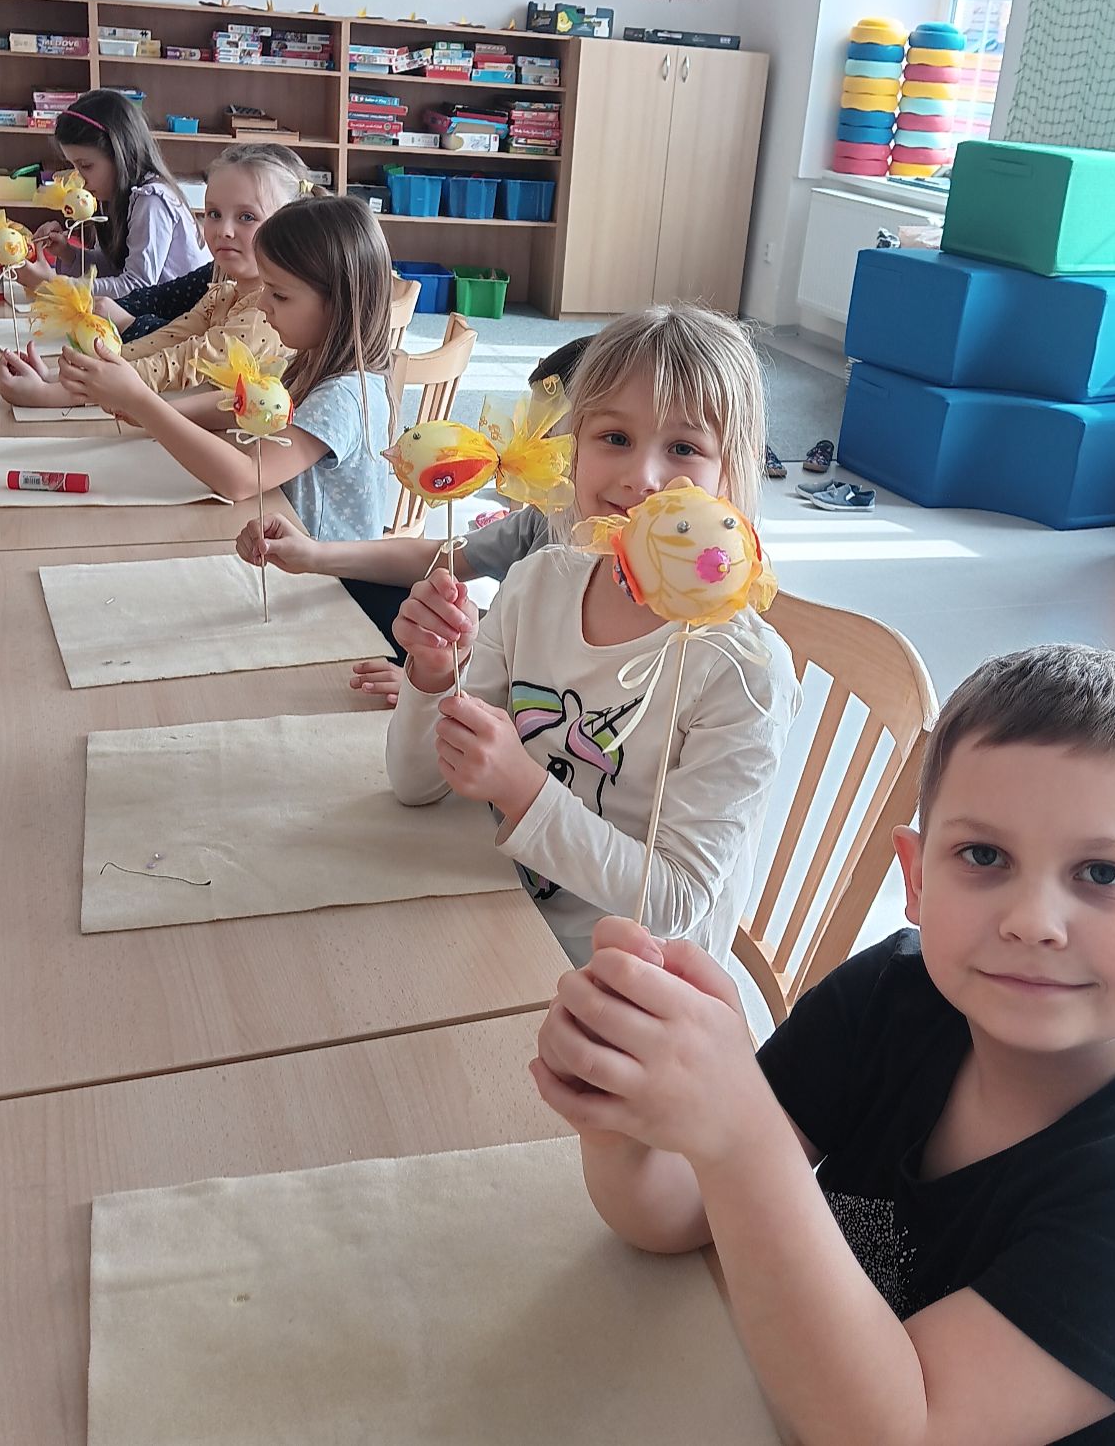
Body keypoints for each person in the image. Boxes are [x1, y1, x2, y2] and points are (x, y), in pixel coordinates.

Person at [532, 644, 1115, 1445]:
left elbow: (901, 1432)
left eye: (1102, 874)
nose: (1034, 921)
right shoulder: (891, 997)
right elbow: (673, 1213)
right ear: (916, 881)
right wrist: (624, 1112)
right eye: (984, 856)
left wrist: (743, 1132)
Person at [384, 303, 800, 968]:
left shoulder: (741, 670)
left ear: (732, 471)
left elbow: (675, 900)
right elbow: (416, 786)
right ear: (572, 449)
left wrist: (520, 787)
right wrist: (434, 676)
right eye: (614, 437)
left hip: (619, 979)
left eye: (684, 448)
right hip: (492, 910)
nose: (642, 478)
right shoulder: (538, 582)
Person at [235, 334, 593, 705]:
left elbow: (547, 684)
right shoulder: (548, 517)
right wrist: (313, 554)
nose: (532, 444)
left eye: (550, 431)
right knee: (368, 591)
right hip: (484, 655)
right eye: (534, 425)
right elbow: (440, 557)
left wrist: (439, 682)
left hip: (513, 692)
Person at [57, 196, 393, 538]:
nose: (262, 303)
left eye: (279, 295)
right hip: (282, 541)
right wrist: (150, 411)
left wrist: (142, 403)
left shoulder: (343, 396)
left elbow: (244, 478)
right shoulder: (310, 359)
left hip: (321, 566)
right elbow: (243, 405)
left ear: (339, 304)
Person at [0, 143, 323, 410]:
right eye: (214, 213)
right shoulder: (224, 291)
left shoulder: (266, 315)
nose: (223, 230)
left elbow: (179, 364)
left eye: (247, 217)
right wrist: (68, 377)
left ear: (288, 228)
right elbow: (165, 342)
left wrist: (56, 394)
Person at [15, 89, 209, 298]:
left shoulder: (151, 200)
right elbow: (112, 269)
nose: (79, 179)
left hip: (182, 315)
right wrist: (67, 253)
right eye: (74, 166)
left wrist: (55, 284)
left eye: (86, 166)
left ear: (120, 155)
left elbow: (138, 286)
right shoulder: (112, 197)